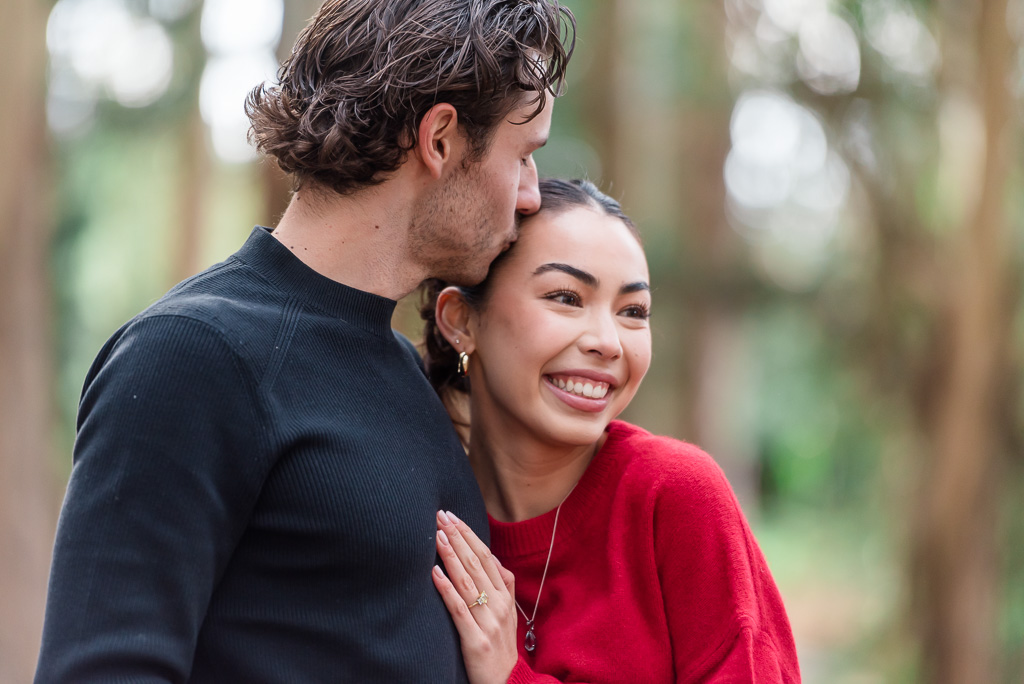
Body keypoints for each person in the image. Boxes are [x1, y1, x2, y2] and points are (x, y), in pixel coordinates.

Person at [35, 2, 574, 681]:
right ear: (440, 139)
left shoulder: (404, 370)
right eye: (524, 156)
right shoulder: (191, 355)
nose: (530, 195)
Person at [420, 179, 801, 683]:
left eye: (632, 312)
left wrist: (512, 675)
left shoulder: (676, 496)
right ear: (462, 320)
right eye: (565, 297)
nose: (608, 342)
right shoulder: (419, 518)